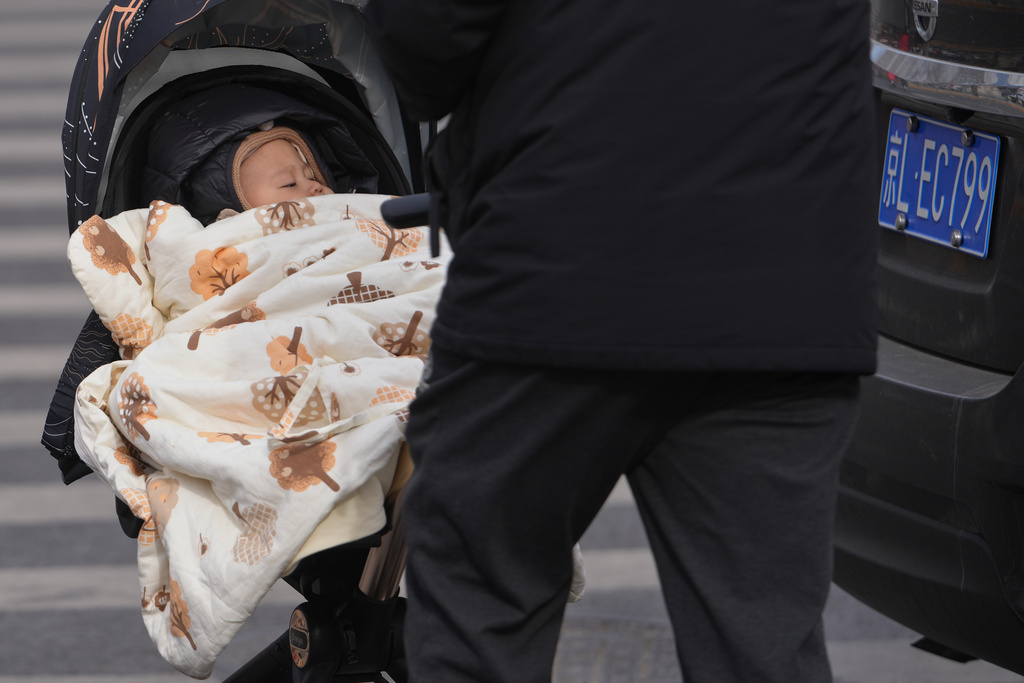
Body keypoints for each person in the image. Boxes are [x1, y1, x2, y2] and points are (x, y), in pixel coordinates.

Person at [364, 0, 878, 681]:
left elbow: (426, 33)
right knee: (761, 641)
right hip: (785, 267)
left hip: (560, 258)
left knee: (481, 597)